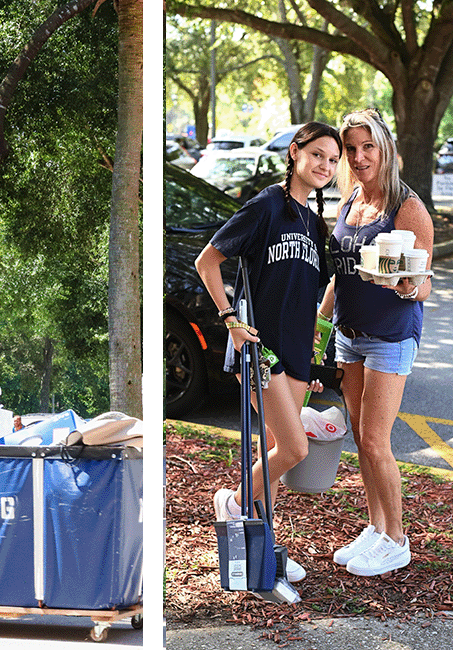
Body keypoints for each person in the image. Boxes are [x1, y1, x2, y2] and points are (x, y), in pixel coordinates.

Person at [195, 121, 341, 584]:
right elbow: (208, 261)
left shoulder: (314, 223)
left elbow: (310, 297)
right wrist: (230, 321)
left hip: (297, 355)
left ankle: (263, 549)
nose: (325, 165)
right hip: (259, 349)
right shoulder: (267, 206)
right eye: (317, 154)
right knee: (295, 448)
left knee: (278, 449)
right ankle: (235, 503)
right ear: (294, 153)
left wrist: (315, 355)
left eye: (333, 160)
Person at [318, 109, 432, 576]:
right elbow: (340, 277)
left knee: (375, 440)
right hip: (348, 337)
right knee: (361, 443)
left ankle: (397, 539)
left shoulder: (407, 207)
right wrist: (318, 323)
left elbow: (423, 284)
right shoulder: (350, 202)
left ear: (383, 149)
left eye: (368, 147)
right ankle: (376, 526)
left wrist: (401, 285)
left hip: (390, 337)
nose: (360, 157)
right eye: (352, 149)